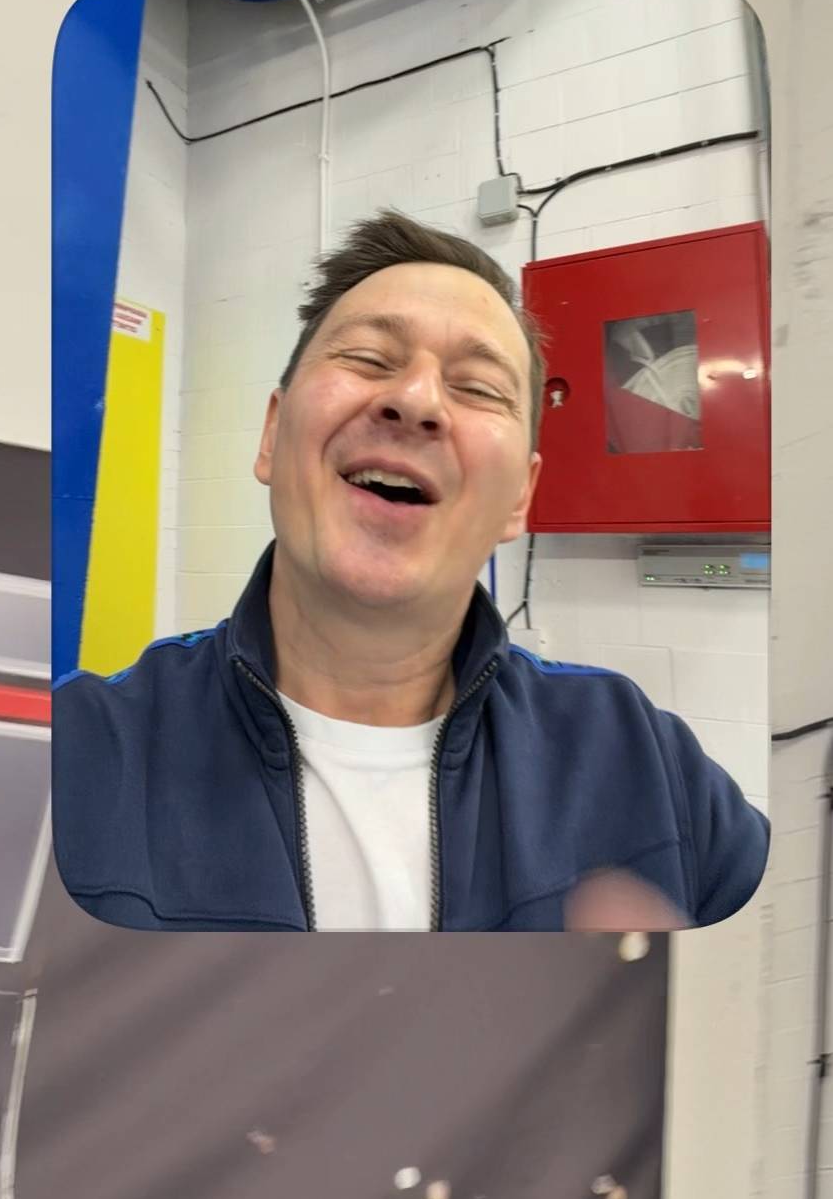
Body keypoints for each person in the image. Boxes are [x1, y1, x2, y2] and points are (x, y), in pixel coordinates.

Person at [52, 208, 769, 934]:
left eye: (479, 388)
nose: (417, 400)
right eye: (368, 358)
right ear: (272, 434)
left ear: (520, 497)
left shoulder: (642, 763)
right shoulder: (77, 756)